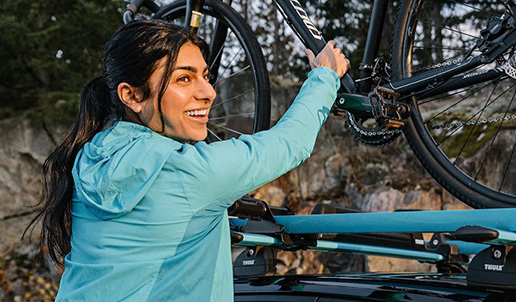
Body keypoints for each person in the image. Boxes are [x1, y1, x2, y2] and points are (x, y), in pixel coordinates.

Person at [30, 20, 349, 301]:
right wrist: (325, 76)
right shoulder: (188, 172)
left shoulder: (89, 154)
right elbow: (289, 144)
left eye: (205, 76)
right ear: (132, 96)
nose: (208, 92)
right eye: (184, 79)